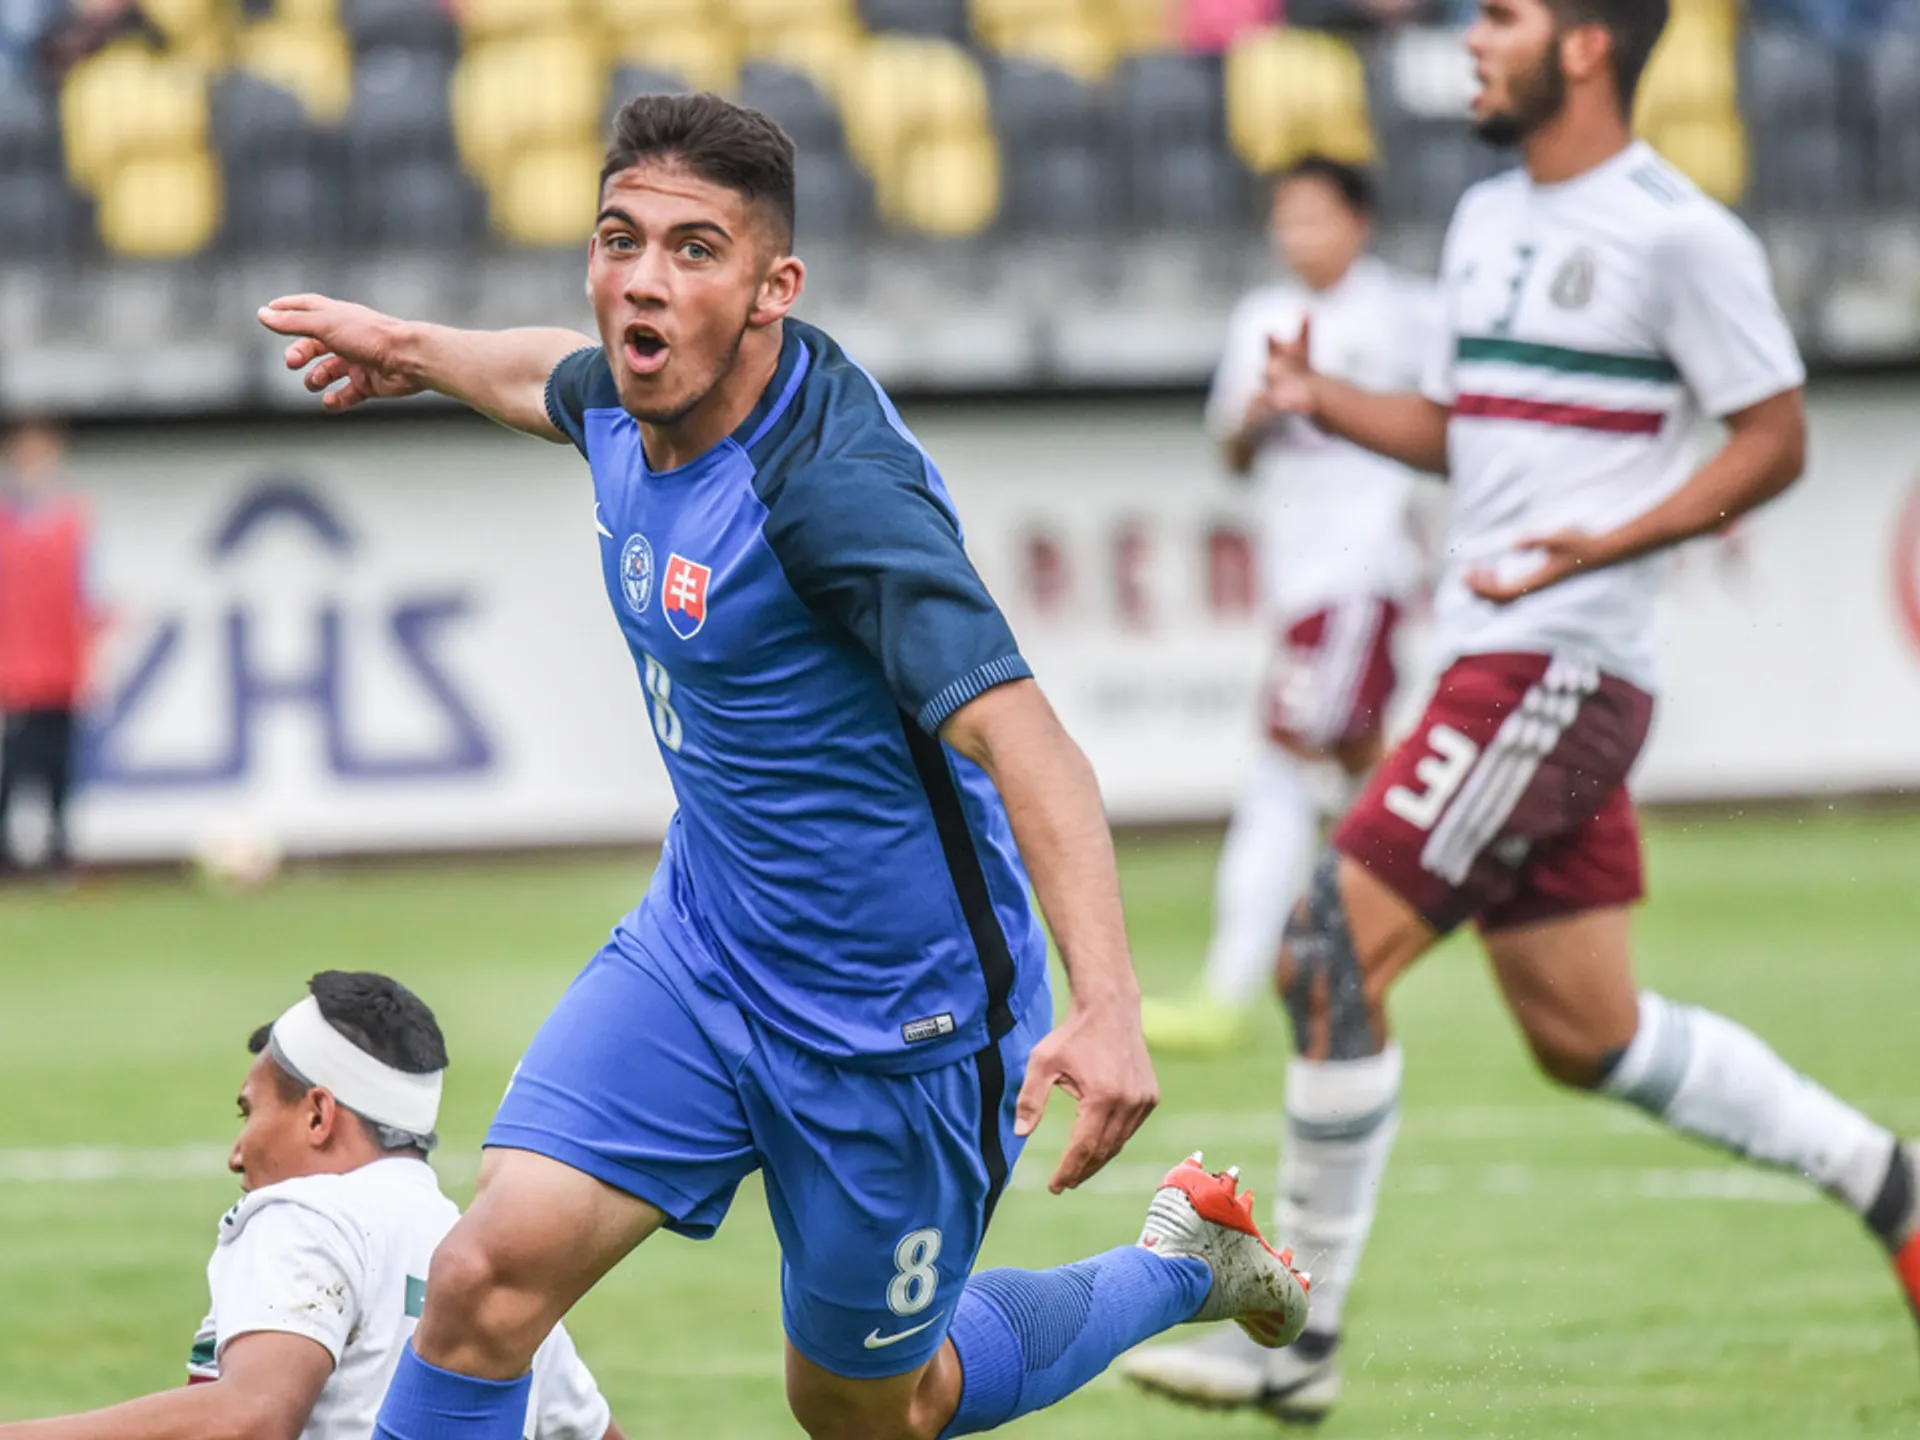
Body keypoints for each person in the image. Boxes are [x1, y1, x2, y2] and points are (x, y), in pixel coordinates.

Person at [255, 93, 1310, 1440]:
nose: (645, 280)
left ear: (773, 289)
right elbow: (547, 380)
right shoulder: (632, 394)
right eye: (620, 241)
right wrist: (408, 348)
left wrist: (1107, 1002)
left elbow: (1027, 740)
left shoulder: (831, 496)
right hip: (701, 953)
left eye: (695, 250)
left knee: (870, 1411)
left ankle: (1180, 1264)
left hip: (899, 1026)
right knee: (480, 1281)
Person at [1123, 0, 1919, 1421]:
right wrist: (1324, 398)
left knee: (1327, 952)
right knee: (1584, 1030)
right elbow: (1464, 430)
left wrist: (1613, 542)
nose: (1473, 41)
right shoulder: (1488, 218)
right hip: (1497, 655)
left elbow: (1777, 437)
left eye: (1501, 16)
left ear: (1589, 44)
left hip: (1558, 664)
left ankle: (1299, 1344)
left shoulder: (1679, 236)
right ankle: (1892, 1184)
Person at [0, 971, 621, 1440]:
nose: (236, 1154)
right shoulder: (490, 1258)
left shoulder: (309, 1214)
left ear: (319, 1115)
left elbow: (252, 1418)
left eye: (248, 1112)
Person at [1140, 156, 1434, 1055]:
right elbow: (1231, 452)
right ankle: (1473, 883)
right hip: (1299, 580)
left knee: (1280, 765)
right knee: (1360, 767)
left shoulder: (1408, 315)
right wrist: (1265, 412)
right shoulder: (1262, 319)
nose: (1297, 234)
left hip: (1356, 579)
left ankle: (1227, 989)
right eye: (1286, 217)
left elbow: (1451, 425)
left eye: (1314, 215)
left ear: (1358, 223)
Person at [0, 420, 95, 876]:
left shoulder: (73, 520)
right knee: (16, 765)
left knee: (60, 767)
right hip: (14, 670)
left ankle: (59, 854)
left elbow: (86, 595)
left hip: (62, 670)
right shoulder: (5, 523)